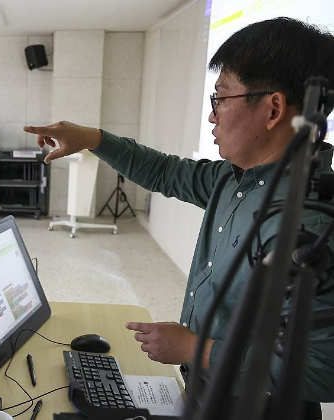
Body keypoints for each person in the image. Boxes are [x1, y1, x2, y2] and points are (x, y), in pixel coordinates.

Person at [24, 18, 334, 417]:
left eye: (220, 98)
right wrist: (92, 139)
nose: (212, 117)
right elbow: (165, 171)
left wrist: (194, 348)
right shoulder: (234, 179)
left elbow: (321, 369)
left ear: (272, 109)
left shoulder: (310, 225)